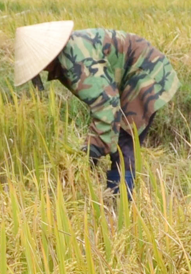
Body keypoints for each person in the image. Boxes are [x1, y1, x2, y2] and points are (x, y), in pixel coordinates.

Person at [14, 21, 180, 198]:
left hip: (148, 74)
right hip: (133, 76)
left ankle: (120, 205)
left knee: (123, 143)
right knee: (116, 141)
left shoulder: (78, 61)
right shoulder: (68, 55)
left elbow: (107, 106)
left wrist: (90, 153)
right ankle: (115, 201)